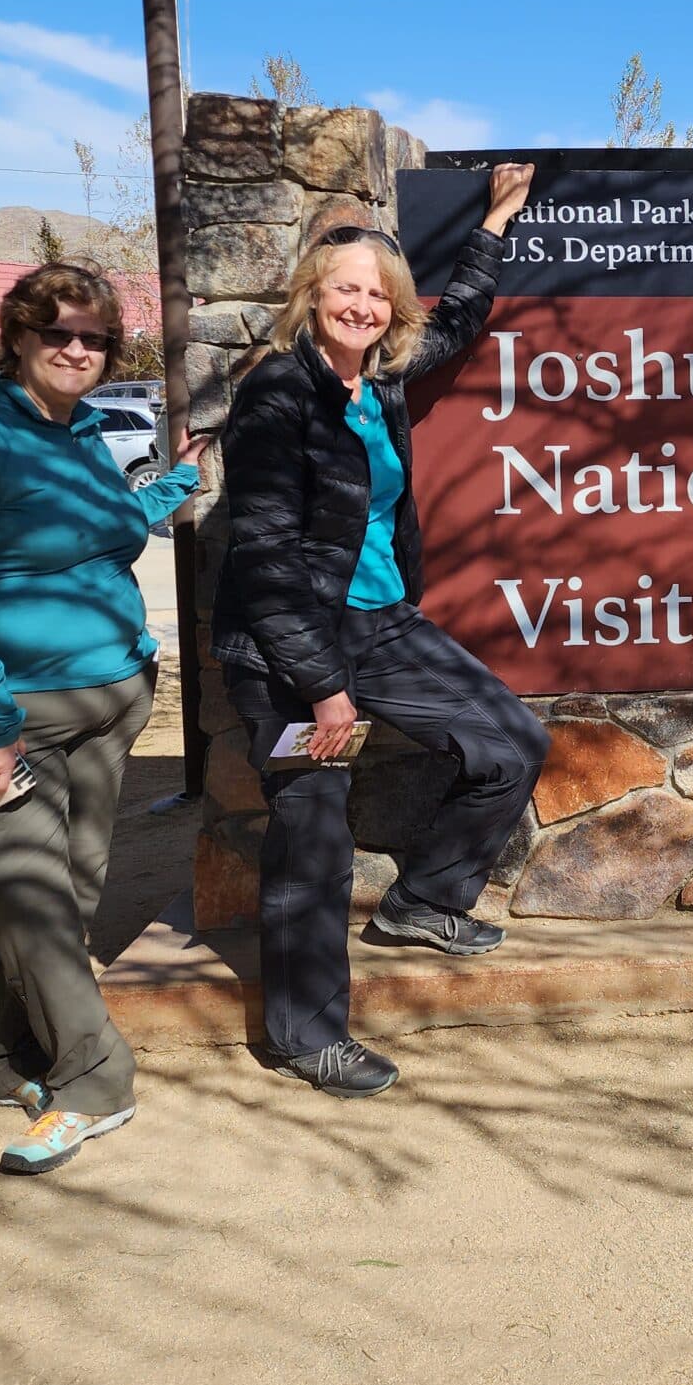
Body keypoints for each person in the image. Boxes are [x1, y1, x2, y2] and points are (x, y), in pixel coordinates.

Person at [215, 167, 548, 1099]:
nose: (360, 305)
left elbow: (458, 323)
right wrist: (324, 690)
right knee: (313, 829)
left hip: (384, 622)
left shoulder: (379, 380)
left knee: (511, 740)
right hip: (289, 652)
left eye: (375, 292)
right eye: (344, 289)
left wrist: (494, 224)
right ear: (310, 297)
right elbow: (269, 565)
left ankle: (425, 900)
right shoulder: (278, 396)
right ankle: (306, 1037)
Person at [0, 262, 207, 1176]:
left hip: (110, 699)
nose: (78, 350)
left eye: (95, 338)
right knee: (21, 888)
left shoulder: (78, 434)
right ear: (20, 339)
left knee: (69, 893)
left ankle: (10, 1057)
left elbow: (109, 527)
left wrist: (173, 485)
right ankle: (95, 1078)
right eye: (58, 334)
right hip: (13, 713)